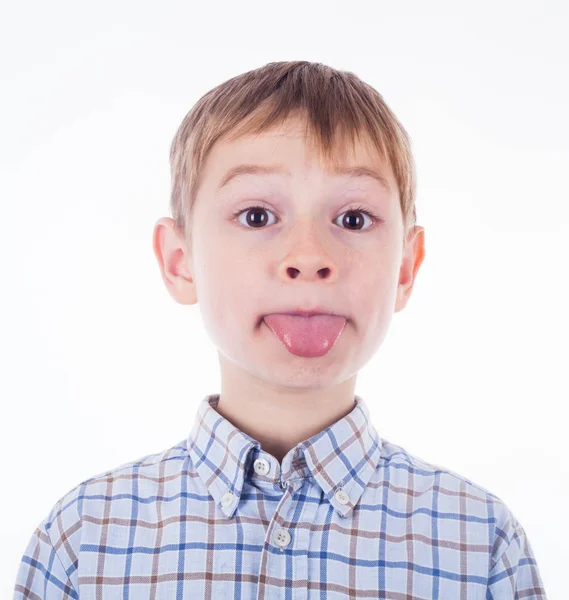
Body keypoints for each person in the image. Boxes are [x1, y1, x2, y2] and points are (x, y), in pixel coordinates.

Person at [13, 60, 547, 599]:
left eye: (354, 219)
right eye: (257, 216)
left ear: (406, 267)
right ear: (180, 260)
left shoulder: (480, 545)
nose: (310, 257)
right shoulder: (84, 539)